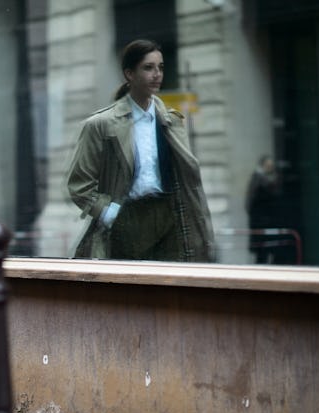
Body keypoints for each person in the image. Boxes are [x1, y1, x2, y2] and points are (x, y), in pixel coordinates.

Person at [66, 39, 213, 262]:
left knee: (168, 290)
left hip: (169, 219)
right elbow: (79, 185)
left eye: (161, 67)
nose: (157, 74)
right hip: (127, 219)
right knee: (130, 291)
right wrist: (110, 213)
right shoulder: (102, 124)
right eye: (148, 67)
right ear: (129, 74)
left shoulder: (171, 121)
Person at [245, 154, 288, 264]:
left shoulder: (264, 179)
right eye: (269, 165)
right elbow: (251, 204)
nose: (271, 168)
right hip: (262, 224)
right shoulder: (259, 180)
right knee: (263, 255)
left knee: (268, 253)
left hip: (266, 224)